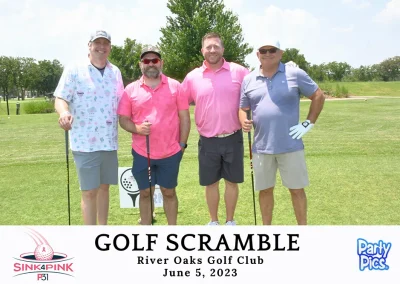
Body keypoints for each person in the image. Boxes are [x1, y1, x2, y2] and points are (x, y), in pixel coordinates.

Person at [239, 40, 325, 225]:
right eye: (263, 50)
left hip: (290, 145)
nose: (268, 53)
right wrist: (243, 120)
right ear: (257, 54)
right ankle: (266, 231)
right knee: (265, 190)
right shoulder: (249, 79)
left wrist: (308, 122)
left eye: (272, 50)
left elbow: (318, 95)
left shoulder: (295, 73)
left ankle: (303, 230)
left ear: (281, 53)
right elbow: (243, 107)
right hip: (261, 147)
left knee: (296, 189)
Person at [54, 30, 124, 225]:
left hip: (109, 142)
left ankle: (102, 232)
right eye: (97, 43)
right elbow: (60, 98)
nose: (101, 47)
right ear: (89, 45)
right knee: (89, 191)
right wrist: (63, 113)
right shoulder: (74, 69)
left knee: (104, 188)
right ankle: (90, 236)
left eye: (105, 43)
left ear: (110, 47)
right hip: (85, 143)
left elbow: (123, 102)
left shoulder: (115, 72)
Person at [181, 32, 249, 226]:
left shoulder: (239, 72)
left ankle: (230, 221)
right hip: (208, 140)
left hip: (233, 137)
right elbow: (180, 104)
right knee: (210, 183)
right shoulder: (193, 77)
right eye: (208, 47)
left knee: (231, 182)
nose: (212, 50)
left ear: (222, 49)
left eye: (216, 46)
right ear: (202, 50)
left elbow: (255, 92)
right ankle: (213, 221)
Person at [118, 45, 190, 225]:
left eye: (155, 60)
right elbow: (123, 119)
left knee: (169, 192)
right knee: (145, 192)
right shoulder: (130, 90)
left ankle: (172, 231)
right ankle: (147, 230)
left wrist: (182, 145)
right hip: (142, 153)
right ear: (140, 64)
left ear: (161, 63)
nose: (151, 64)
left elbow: (185, 118)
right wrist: (137, 129)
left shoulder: (175, 86)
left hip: (171, 152)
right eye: (146, 61)